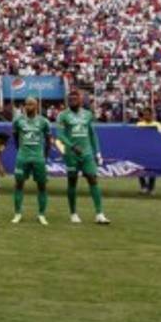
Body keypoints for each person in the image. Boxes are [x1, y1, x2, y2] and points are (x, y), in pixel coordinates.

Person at [56, 91, 110, 225]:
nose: (72, 101)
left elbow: (92, 134)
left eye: (75, 99)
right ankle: (73, 213)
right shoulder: (63, 115)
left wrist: (97, 152)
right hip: (71, 154)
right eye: (70, 99)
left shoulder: (87, 114)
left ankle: (99, 214)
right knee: (72, 181)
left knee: (93, 179)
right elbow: (60, 135)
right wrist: (72, 146)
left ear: (80, 100)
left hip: (87, 153)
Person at [11, 97, 51, 225]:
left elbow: (49, 141)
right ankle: (17, 213)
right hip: (22, 157)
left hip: (38, 158)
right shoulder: (18, 121)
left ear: (36, 105)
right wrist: (21, 150)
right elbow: (15, 137)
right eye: (26, 104)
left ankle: (41, 214)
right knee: (19, 184)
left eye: (31, 104)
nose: (28, 107)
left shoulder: (44, 121)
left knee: (42, 186)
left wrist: (44, 157)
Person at [137, 106, 161, 196]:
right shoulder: (139, 124)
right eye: (144, 115)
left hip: (153, 150)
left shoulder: (157, 125)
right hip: (141, 150)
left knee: (152, 170)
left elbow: (158, 137)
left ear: (152, 115)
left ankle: (151, 188)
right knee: (139, 169)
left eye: (148, 115)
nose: (146, 116)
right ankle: (143, 187)